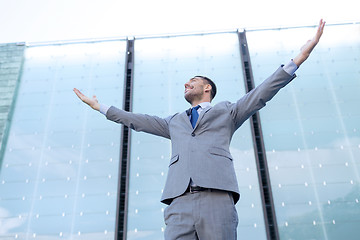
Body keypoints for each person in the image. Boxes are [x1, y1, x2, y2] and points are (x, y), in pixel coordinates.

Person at [74, 19, 326, 240]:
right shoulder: (174, 122)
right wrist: (101, 107)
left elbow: (262, 92)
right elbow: (138, 120)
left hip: (216, 198)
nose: (187, 83)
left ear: (207, 88)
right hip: (178, 201)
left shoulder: (228, 112)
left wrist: (299, 58)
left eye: (193, 81)